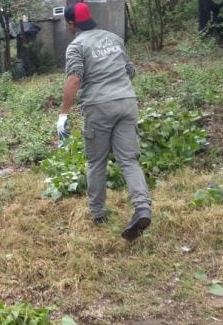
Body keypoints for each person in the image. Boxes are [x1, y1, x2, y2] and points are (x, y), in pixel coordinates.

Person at [58, 2, 152, 241]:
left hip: (99, 106)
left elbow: (74, 80)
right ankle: (142, 207)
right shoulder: (113, 38)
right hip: (127, 101)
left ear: (71, 24)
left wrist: (63, 114)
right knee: (129, 160)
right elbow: (130, 70)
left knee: (96, 161)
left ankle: (98, 213)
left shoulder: (76, 46)